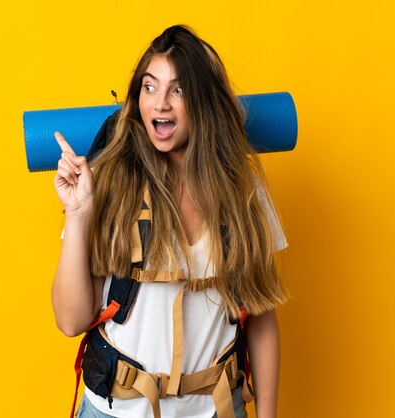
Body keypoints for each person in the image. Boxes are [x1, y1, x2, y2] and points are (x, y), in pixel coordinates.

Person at [51, 25, 289, 418]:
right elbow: (71, 320)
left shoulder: (242, 190)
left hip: (217, 410)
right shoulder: (110, 180)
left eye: (178, 90)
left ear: (205, 103)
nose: (160, 104)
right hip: (115, 410)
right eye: (150, 87)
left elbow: (261, 317)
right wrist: (78, 216)